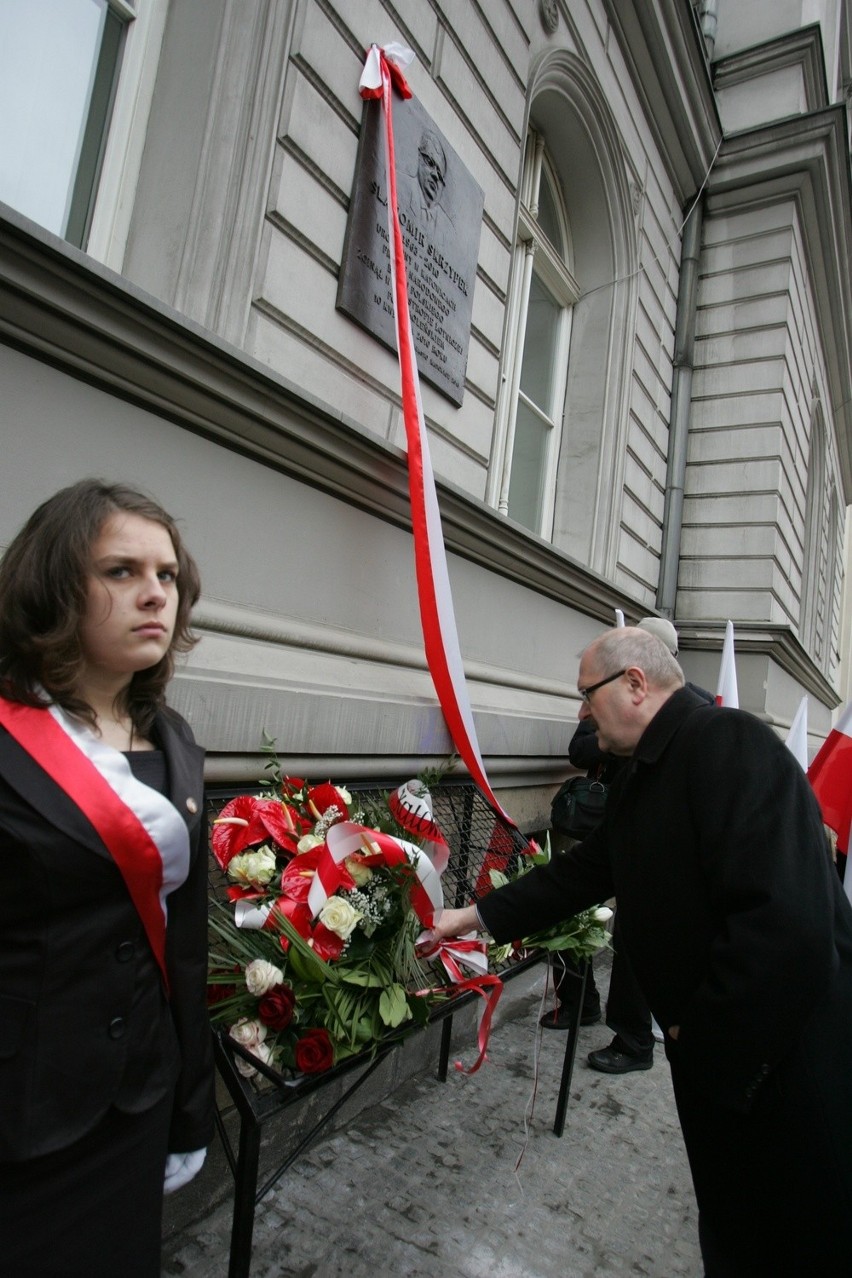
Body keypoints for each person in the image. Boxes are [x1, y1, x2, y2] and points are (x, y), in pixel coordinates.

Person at [431, 627, 852, 1274]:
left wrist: (696, 1034)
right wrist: (475, 915)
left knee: (785, 1237)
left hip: (779, 1071)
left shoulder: (731, 745)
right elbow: (583, 872)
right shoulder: (653, 767)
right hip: (726, 1069)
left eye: (584, 695)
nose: (579, 713)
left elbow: (786, 929)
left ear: (634, 684)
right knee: (735, 1229)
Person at [0, 480, 214, 1278]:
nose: (154, 593)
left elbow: (183, 946)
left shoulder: (175, 738)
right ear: (55, 586)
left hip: (134, 1103)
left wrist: (188, 1103)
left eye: (167, 575)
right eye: (121, 571)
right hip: (22, 1113)